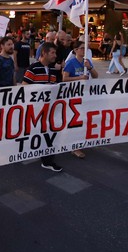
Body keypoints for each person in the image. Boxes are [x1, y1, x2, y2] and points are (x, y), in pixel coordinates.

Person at [22, 42, 61, 172]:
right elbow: (24, 87)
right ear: (44, 53)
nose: (55, 55)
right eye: (52, 53)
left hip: (49, 109)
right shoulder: (32, 69)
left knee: (49, 134)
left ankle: (47, 160)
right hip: (36, 110)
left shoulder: (53, 70)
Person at [63, 41, 98, 159]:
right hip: (73, 95)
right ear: (76, 50)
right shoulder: (70, 63)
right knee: (75, 120)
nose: (84, 50)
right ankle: (74, 146)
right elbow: (64, 78)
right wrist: (79, 78)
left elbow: (96, 75)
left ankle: (78, 141)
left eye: (85, 48)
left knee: (84, 119)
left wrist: (90, 67)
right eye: (82, 48)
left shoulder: (86, 62)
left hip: (85, 95)